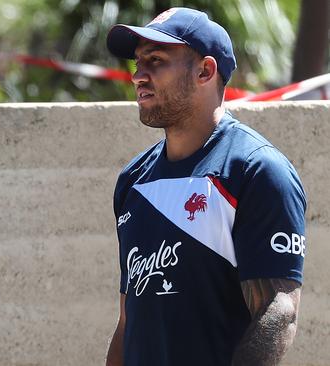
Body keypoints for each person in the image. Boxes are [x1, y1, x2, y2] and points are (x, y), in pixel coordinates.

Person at [104, 7, 306, 366]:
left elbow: (279, 312)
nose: (139, 76)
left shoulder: (257, 170)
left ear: (205, 71)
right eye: (138, 63)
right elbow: (128, 319)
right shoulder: (133, 181)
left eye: (156, 61)